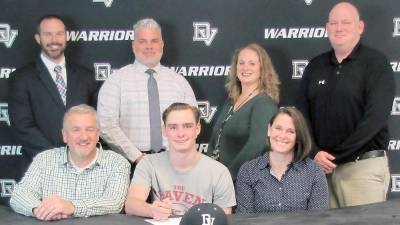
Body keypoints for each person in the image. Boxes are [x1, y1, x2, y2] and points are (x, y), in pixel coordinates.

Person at [297, 2, 394, 208]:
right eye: (333, 23)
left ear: (360, 27)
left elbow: (374, 120)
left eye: (345, 22)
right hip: (321, 171)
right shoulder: (315, 66)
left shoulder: (376, 64)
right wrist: (314, 152)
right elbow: (301, 116)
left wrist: (337, 157)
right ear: (327, 28)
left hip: (361, 169)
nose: (339, 28)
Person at [8, 15, 100, 174]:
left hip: (84, 168)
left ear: (66, 37)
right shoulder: (21, 78)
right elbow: (23, 126)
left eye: (59, 34)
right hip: (40, 167)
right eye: (48, 34)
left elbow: (96, 121)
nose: (54, 40)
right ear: (38, 38)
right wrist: (59, 158)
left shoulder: (86, 76)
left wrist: (79, 157)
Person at [97, 18, 197, 165]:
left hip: (174, 163)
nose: (149, 46)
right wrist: (137, 157)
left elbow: (192, 123)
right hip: (129, 164)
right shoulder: (115, 81)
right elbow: (106, 125)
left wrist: (177, 154)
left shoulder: (179, 82)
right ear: (133, 45)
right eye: (142, 41)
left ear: (162, 44)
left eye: (154, 41)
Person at [9, 104, 130, 221]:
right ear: (65, 135)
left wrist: (71, 206)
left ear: (98, 134)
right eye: (76, 130)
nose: (84, 137)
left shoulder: (117, 163)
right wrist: (42, 210)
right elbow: (19, 195)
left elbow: (114, 202)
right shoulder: (45, 159)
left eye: (90, 129)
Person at [125, 103, 236, 221]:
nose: (180, 133)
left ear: (197, 129)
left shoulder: (219, 172)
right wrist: (152, 210)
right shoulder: (149, 163)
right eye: (173, 127)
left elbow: (223, 218)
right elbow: (131, 204)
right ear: (164, 130)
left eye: (187, 126)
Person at [236, 107, 328, 213]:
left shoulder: (314, 172)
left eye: (290, 131)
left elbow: (318, 220)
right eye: (278, 128)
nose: (282, 135)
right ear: (269, 130)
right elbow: (245, 220)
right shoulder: (248, 171)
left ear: (298, 137)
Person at [207, 43, 279, 179]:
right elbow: (215, 138)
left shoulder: (264, 103)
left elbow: (257, 146)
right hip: (219, 180)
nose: (245, 68)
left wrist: (229, 175)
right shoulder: (231, 101)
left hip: (244, 182)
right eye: (241, 63)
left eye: (252, 64)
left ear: (262, 69)